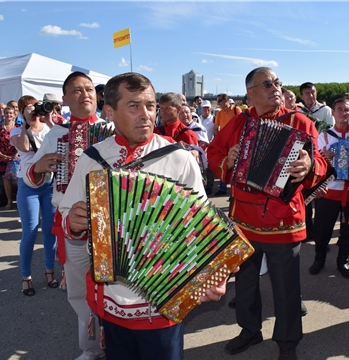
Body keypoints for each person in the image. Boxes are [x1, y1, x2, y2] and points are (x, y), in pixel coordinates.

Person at [58, 72, 227, 360]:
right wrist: (72, 222)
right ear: (109, 111)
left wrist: (212, 273)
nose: (146, 115)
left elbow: (202, 226)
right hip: (110, 298)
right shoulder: (93, 158)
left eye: (150, 106)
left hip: (163, 297)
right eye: (133, 106)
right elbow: (66, 210)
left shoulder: (178, 157)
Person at [208, 67, 328, 360]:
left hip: (283, 220)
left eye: (277, 82)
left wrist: (309, 166)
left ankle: (287, 343)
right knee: (246, 285)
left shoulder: (300, 121)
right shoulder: (237, 122)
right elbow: (213, 154)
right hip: (243, 221)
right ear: (250, 93)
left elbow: (321, 163)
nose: (275, 87)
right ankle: (250, 330)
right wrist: (229, 160)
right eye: (267, 84)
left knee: (286, 289)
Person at [22, 71, 105, 360]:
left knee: (117, 284)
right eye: (77, 90)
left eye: (90, 89)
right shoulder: (57, 135)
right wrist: (39, 167)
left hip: (111, 221)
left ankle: (118, 336)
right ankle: (91, 346)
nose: (85, 94)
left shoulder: (115, 130)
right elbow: (28, 176)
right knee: (80, 289)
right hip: (72, 224)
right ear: (65, 99)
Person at [309, 98, 349, 279]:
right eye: (339, 109)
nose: (343, 112)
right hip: (329, 191)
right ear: (333, 112)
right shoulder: (324, 136)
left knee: (348, 230)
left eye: (347, 109)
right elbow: (314, 163)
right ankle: (319, 258)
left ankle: (343, 260)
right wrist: (323, 158)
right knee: (322, 229)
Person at [10, 96, 57, 297]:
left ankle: (49, 271)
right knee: (29, 232)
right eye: (27, 108)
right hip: (28, 185)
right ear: (21, 112)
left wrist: (48, 119)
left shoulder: (49, 129)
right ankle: (26, 277)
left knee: (49, 231)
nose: (34, 111)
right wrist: (25, 122)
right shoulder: (15, 130)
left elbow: (63, 138)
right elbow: (25, 147)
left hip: (48, 184)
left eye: (34, 107)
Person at [213, 93, 242, 196]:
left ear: (226, 100)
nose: (218, 103)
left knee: (237, 165)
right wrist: (219, 140)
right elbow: (216, 128)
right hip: (224, 144)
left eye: (219, 101)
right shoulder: (219, 114)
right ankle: (222, 188)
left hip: (235, 143)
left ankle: (235, 191)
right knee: (224, 164)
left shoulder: (236, 110)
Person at [0, 106, 18, 210]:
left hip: (16, 156)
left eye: (11, 113)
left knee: (17, 180)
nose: (9, 115)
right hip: (2, 157)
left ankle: (19, 200)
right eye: (7, 113)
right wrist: (1, 154)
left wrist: (16, 154)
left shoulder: (17, 126)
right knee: (6, 180)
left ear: (14, 114)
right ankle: (9, 201)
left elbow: (22, 141)